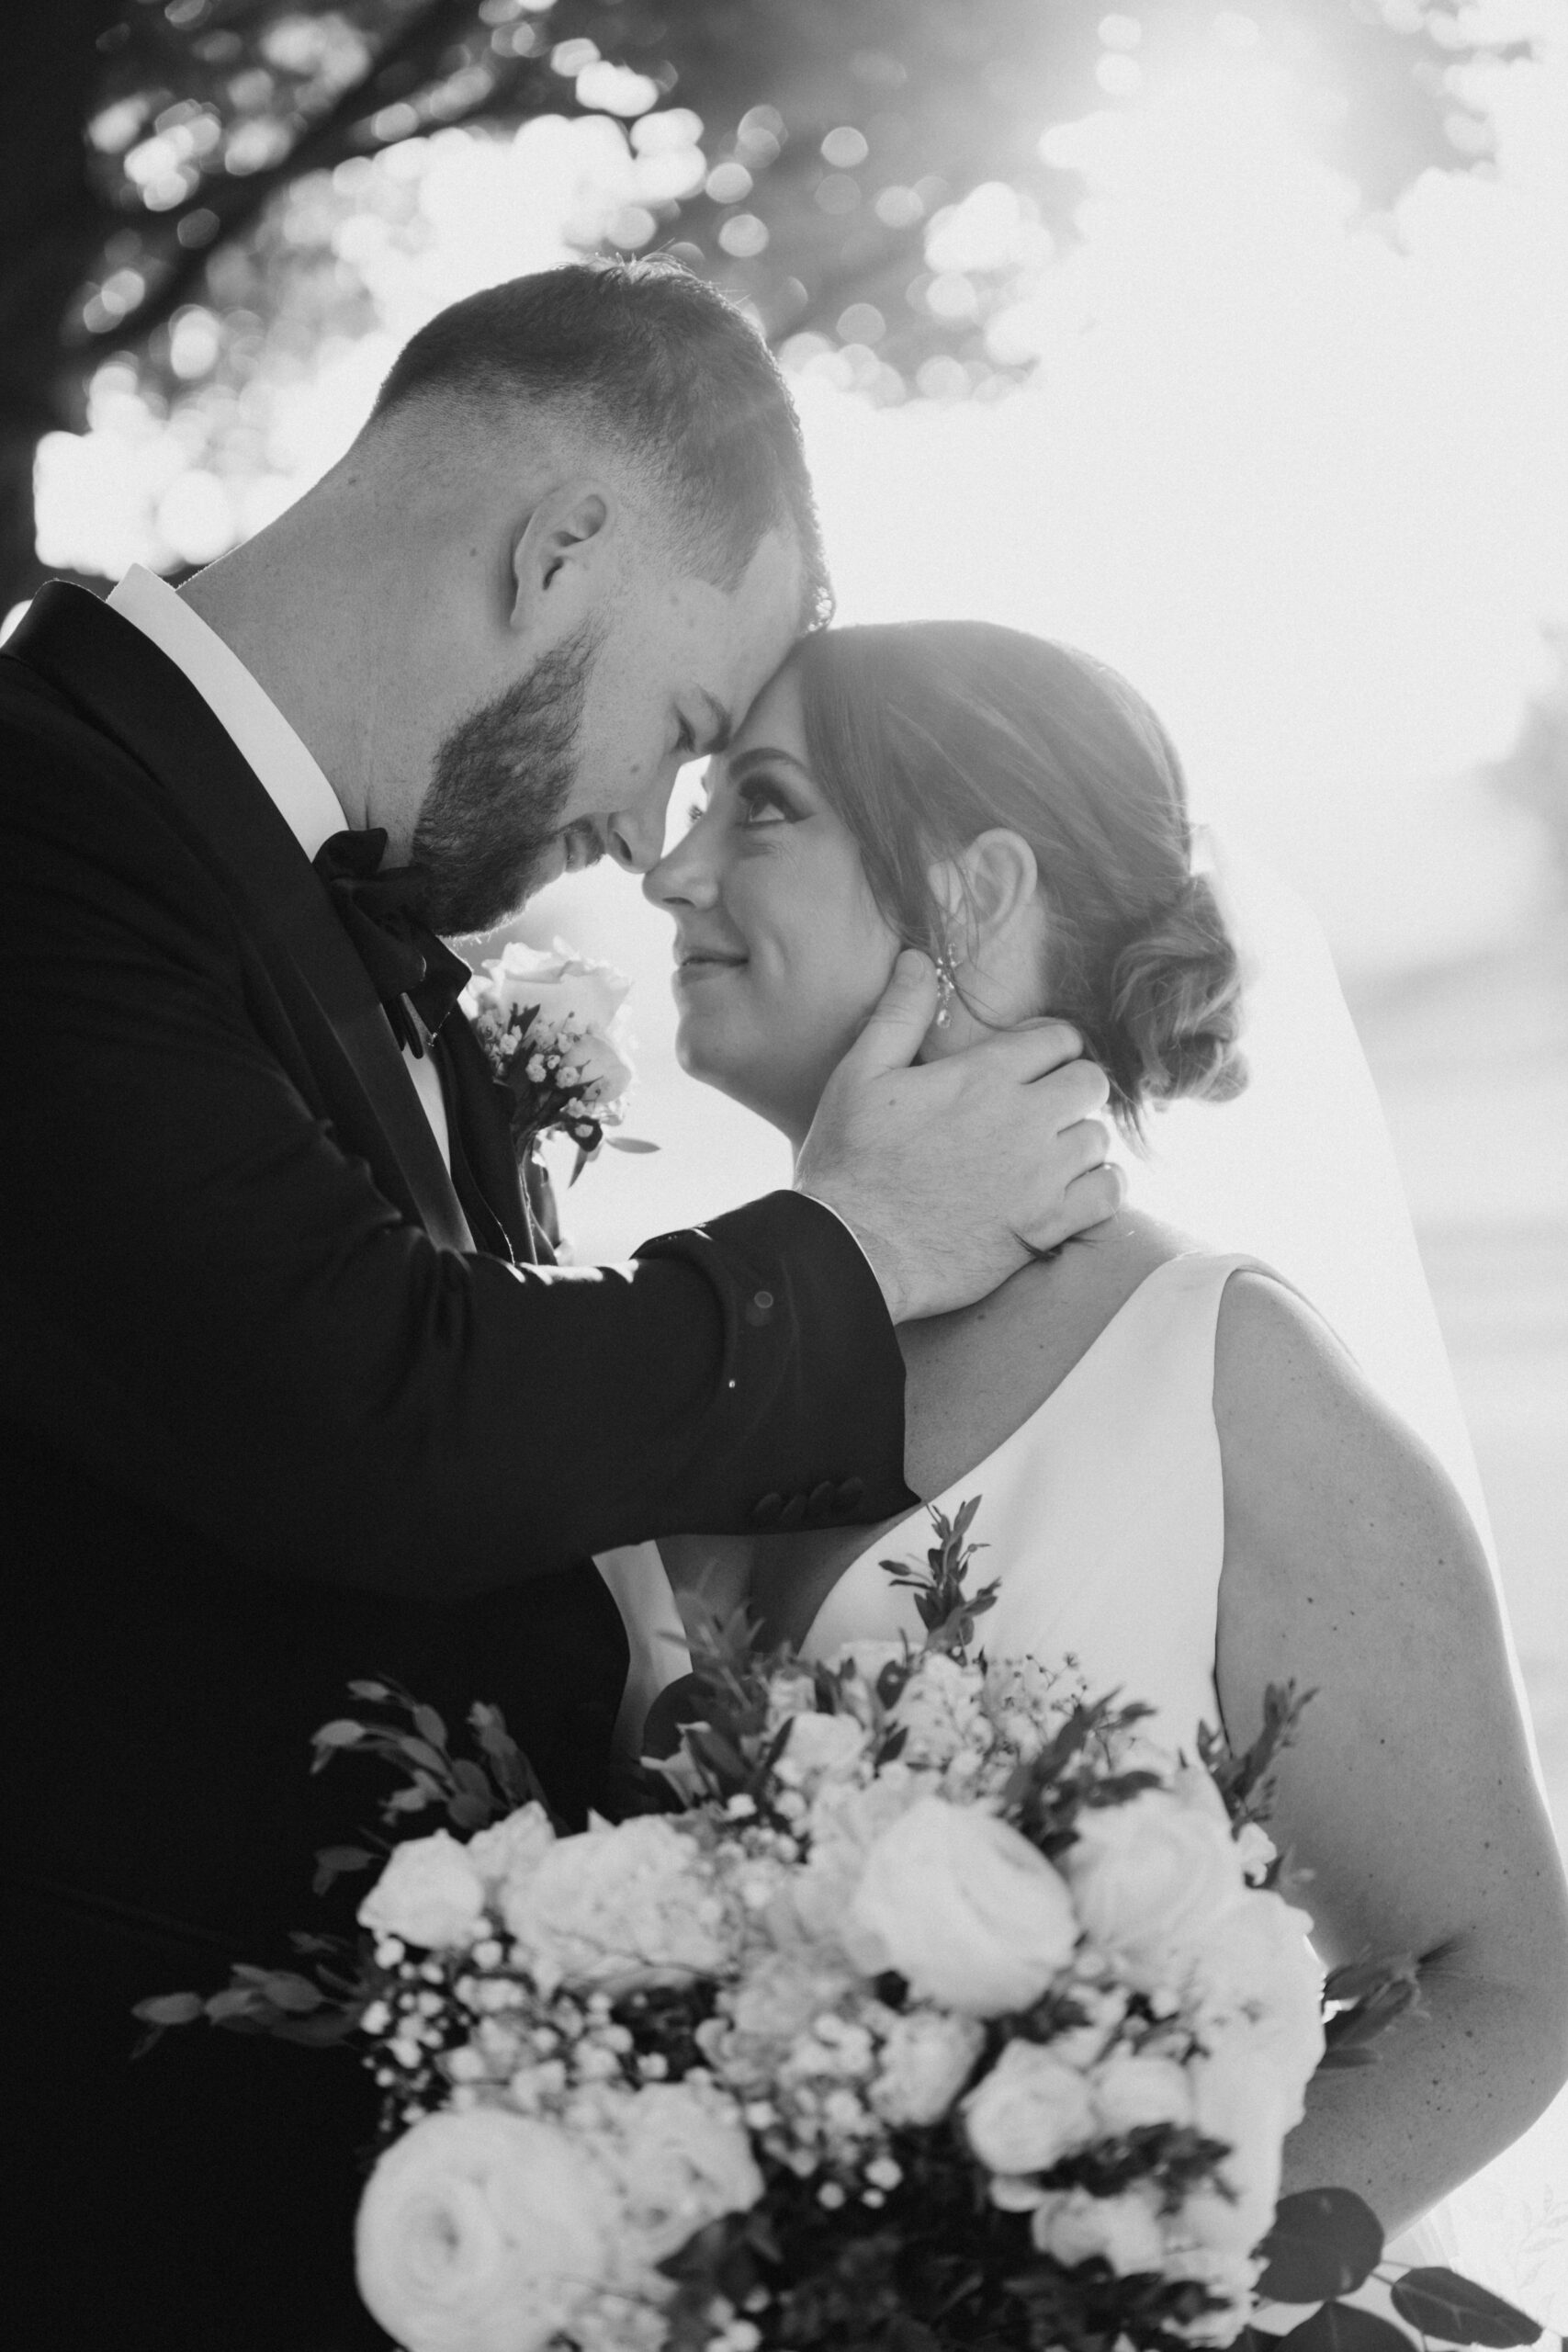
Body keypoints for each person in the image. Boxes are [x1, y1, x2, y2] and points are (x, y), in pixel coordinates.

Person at [0, 273, 1121, 2350]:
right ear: (556, 553)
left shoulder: (341, 906)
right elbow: (363, 1407)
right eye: (686, 735)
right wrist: (856, 1243)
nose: (642, 836)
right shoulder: (41, 821)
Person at [629, 618, 1568, 2266]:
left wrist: (1110, 2291)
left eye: (762, 806)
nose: (673, 865)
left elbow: (1508, 1981)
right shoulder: (678, 1339)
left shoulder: (1219, 1379)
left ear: (978, 894)